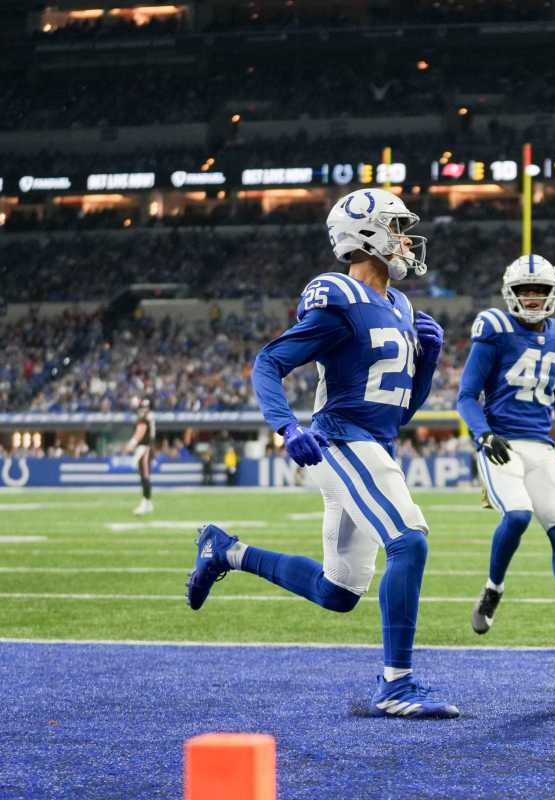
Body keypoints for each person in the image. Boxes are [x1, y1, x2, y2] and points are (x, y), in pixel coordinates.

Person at [184, 188, 459, 719]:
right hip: (340, 438)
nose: (406, 239)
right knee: (410, 542)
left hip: (374, 441)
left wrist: (427, 364)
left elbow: (399, 412)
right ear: (368, 234)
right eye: (396, 228)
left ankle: (226, 551)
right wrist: (287, 427)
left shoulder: (399, 305)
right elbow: (268, 362)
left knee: (338, 592)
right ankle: (396, 684)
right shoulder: (338, 297)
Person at [456, 254, 555, 648]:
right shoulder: (494, 328)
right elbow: (467, 396)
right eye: (525, 290)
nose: (531, 297)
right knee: (519, 515)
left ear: (552, 293)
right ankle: (493, 588)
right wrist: (483, 434)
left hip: (541, 446)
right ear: (511, 293)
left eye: (539, 290)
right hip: (501, 444)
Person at [122, 397, 155, 515]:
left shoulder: (144, 419)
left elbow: (140, 432)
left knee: (145, 476)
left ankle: (146, 503)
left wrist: (131, 444)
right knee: (143, 476)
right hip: (145, 448)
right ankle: (147, 502)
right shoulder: (148, 417)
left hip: (144, 448)